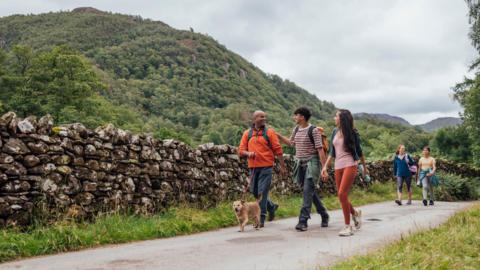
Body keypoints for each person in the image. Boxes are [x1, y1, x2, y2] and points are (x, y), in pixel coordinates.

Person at [276, 107, 329, 231]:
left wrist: (324, 168)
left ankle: (303, 221)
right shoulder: (296, 129)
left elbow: (320, 149)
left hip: (312, 163)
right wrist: (278, 136)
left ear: (302, 117)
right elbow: (291, 143)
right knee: (310, 191)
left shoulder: (314, 130)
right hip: (300, 164)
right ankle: (324, 214)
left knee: (307, 191)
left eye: (296, 115)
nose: (294, 117)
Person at [321, 109, 367, 237]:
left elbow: (360, 151)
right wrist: (325, 167)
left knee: (342, 193)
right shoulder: (335, 132)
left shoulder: (353, 133)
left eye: (336, 116)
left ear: (342, 118)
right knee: (342, 196)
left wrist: (364, 167)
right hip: (338, 165)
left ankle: (348, 226)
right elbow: (332, 152)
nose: (334, 118)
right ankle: (355, 214)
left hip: (350, 164)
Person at [238, 110, 286, 227]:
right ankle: (272, 207)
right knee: (254, 192)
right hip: (253, 167)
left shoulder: (269, 133)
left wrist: (282, 166)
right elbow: (240, 150)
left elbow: (278, 150)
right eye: (261, 117)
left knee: (262, 193)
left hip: (266, 167)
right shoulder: (247, 134)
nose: (264, 118)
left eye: (265, 117)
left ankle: (262, 219)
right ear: (254, 119)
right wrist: (248, 154)